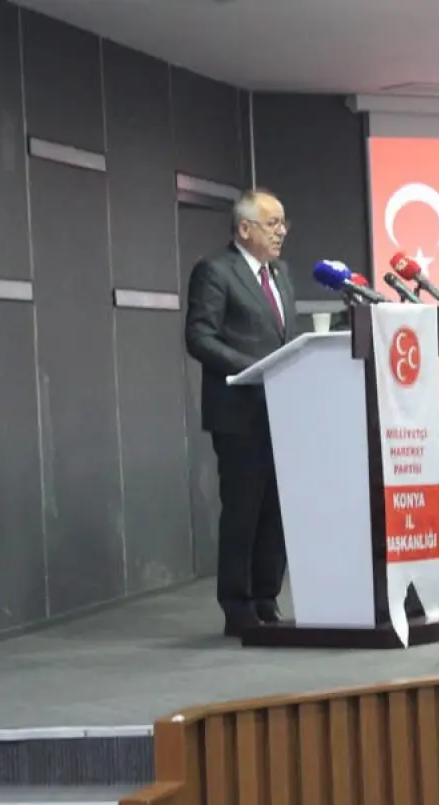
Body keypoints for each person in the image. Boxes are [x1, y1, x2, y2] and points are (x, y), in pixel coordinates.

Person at [184, 188, 297, 637]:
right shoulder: (215, 271)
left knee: (276, 510)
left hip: (283, 410)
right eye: (273, 223)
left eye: (283, 223)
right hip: (239, 413)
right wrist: (253, 368)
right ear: (244, 228)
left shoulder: (280, 274)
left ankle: (267, 595)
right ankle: (237, 604)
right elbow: (199, 337)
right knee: (244, 510)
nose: (282, 231)